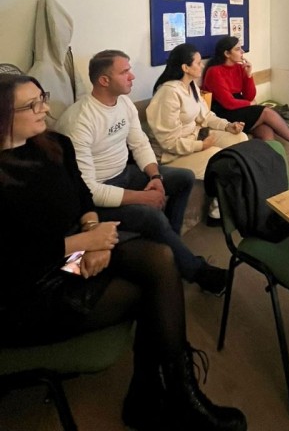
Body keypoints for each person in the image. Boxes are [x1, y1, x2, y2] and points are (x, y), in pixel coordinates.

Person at [0, 73, 246, 431]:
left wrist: (91, 230)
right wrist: (85, 244)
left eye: (43, 98)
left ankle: (175, 393)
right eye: (32, 105)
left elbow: (83, 196)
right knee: (151, 290)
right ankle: (158, 397)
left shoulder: (53, 145)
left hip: (68, 257)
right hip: (26, 290)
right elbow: (10, 261)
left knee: (159, 258)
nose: (45, 109)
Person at [56, 50, 226, 295]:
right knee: (152, 216)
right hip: (97, 194)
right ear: (104, 80)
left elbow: (139, 143)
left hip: (125, 173)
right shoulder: (80, 120)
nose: (132, 76)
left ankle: (172, 246)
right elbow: (89, 190)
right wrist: (142, 197)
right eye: (125, 72)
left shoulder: (124, 103)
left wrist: (155, 176)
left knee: (184, 178)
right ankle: (197, 272)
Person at [147, 44, 248, 223]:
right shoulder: (168, 93)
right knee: (221, 158)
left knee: (240, 138)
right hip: (170, 155)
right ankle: (217, 211)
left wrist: (228, 126)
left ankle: (232, 197)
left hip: (194, 139)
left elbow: (206, 116)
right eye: (198, 62)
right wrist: (201, 145)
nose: (202, 65)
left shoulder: (191, 85)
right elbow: (168, 142)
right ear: (185, 67)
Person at [202, 36, 289, 154]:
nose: (242, 52)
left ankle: (269, 160)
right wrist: (250, 104)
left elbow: (250, 96)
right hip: (224, 112)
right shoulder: (214, 71)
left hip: (239, 106)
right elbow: (228, 102)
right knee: (266, 112)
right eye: (237, 49)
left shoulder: (239, 67)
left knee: (266, 131)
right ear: (227, 53)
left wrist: (248, 75)